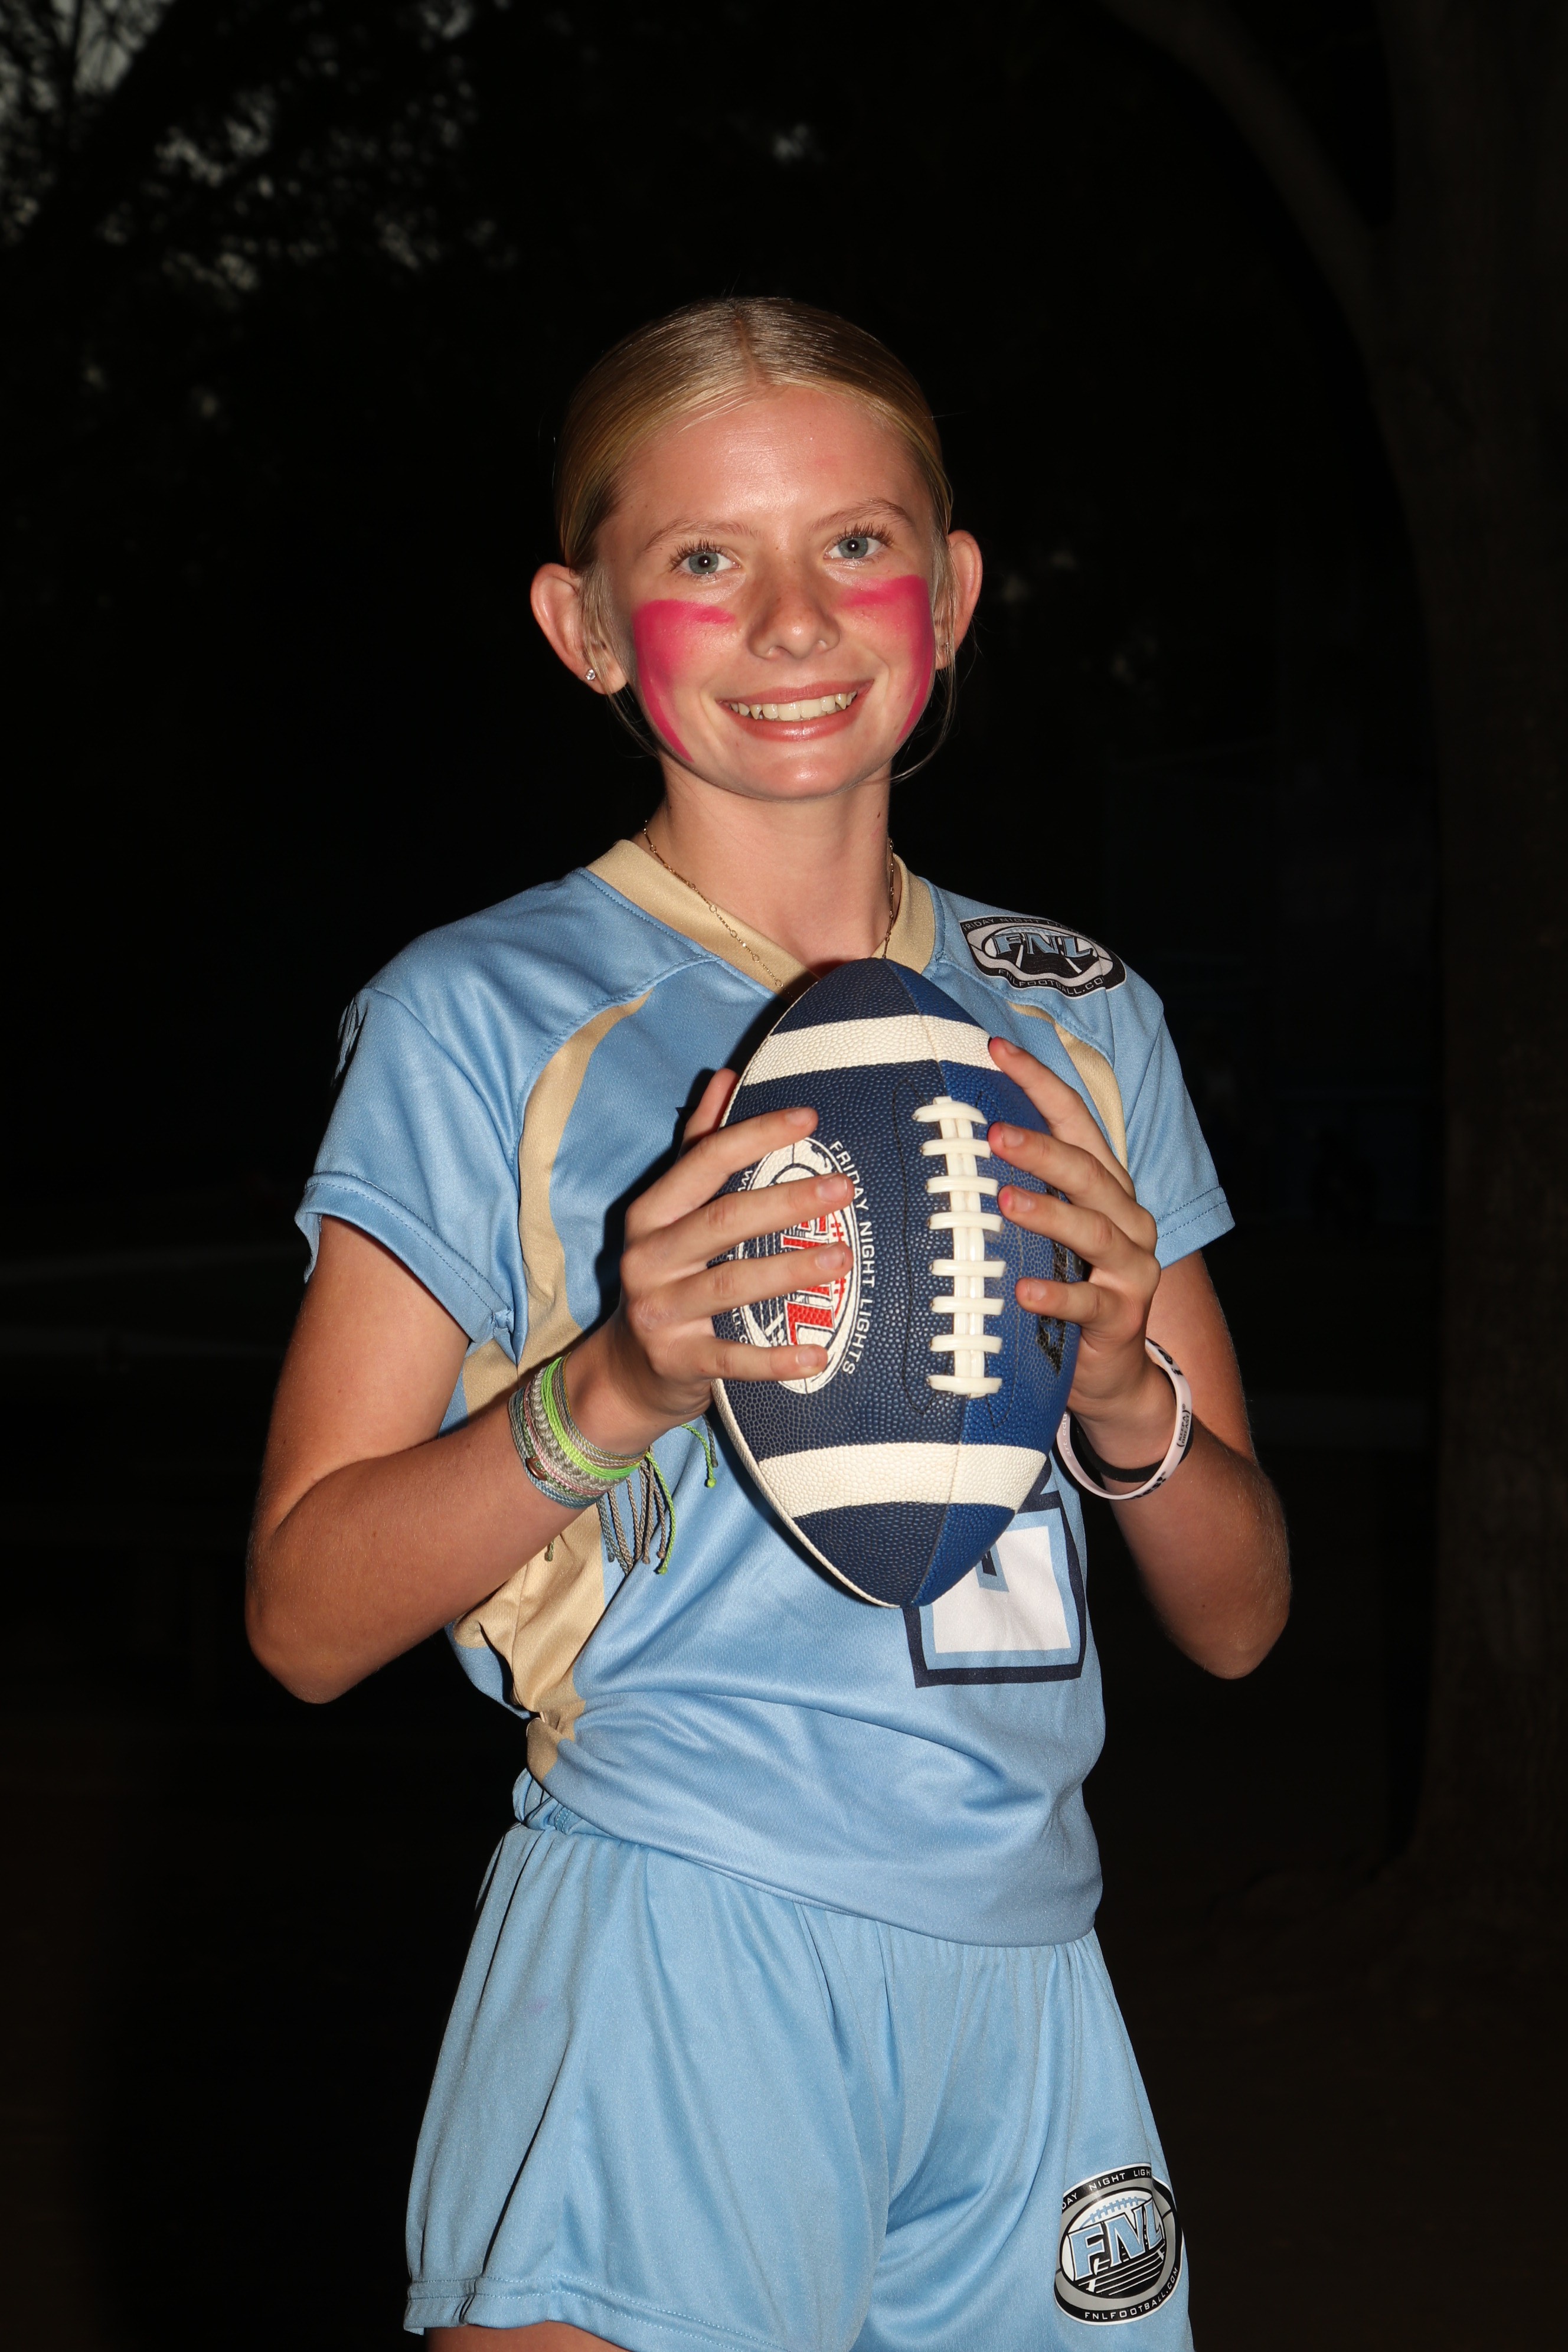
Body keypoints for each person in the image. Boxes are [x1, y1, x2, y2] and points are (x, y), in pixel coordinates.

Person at [247, 297, 1289, 2352]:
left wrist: (1120, 1389)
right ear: (584, 624)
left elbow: (1244, 1615)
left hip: (1031, 1971)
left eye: (857, 544)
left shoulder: (1079, 1017)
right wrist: (616, 1384)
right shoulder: (485, 1014)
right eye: (706, 558)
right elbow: (303, 1618)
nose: (795, 618)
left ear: (952, 593)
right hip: (675, 1930)